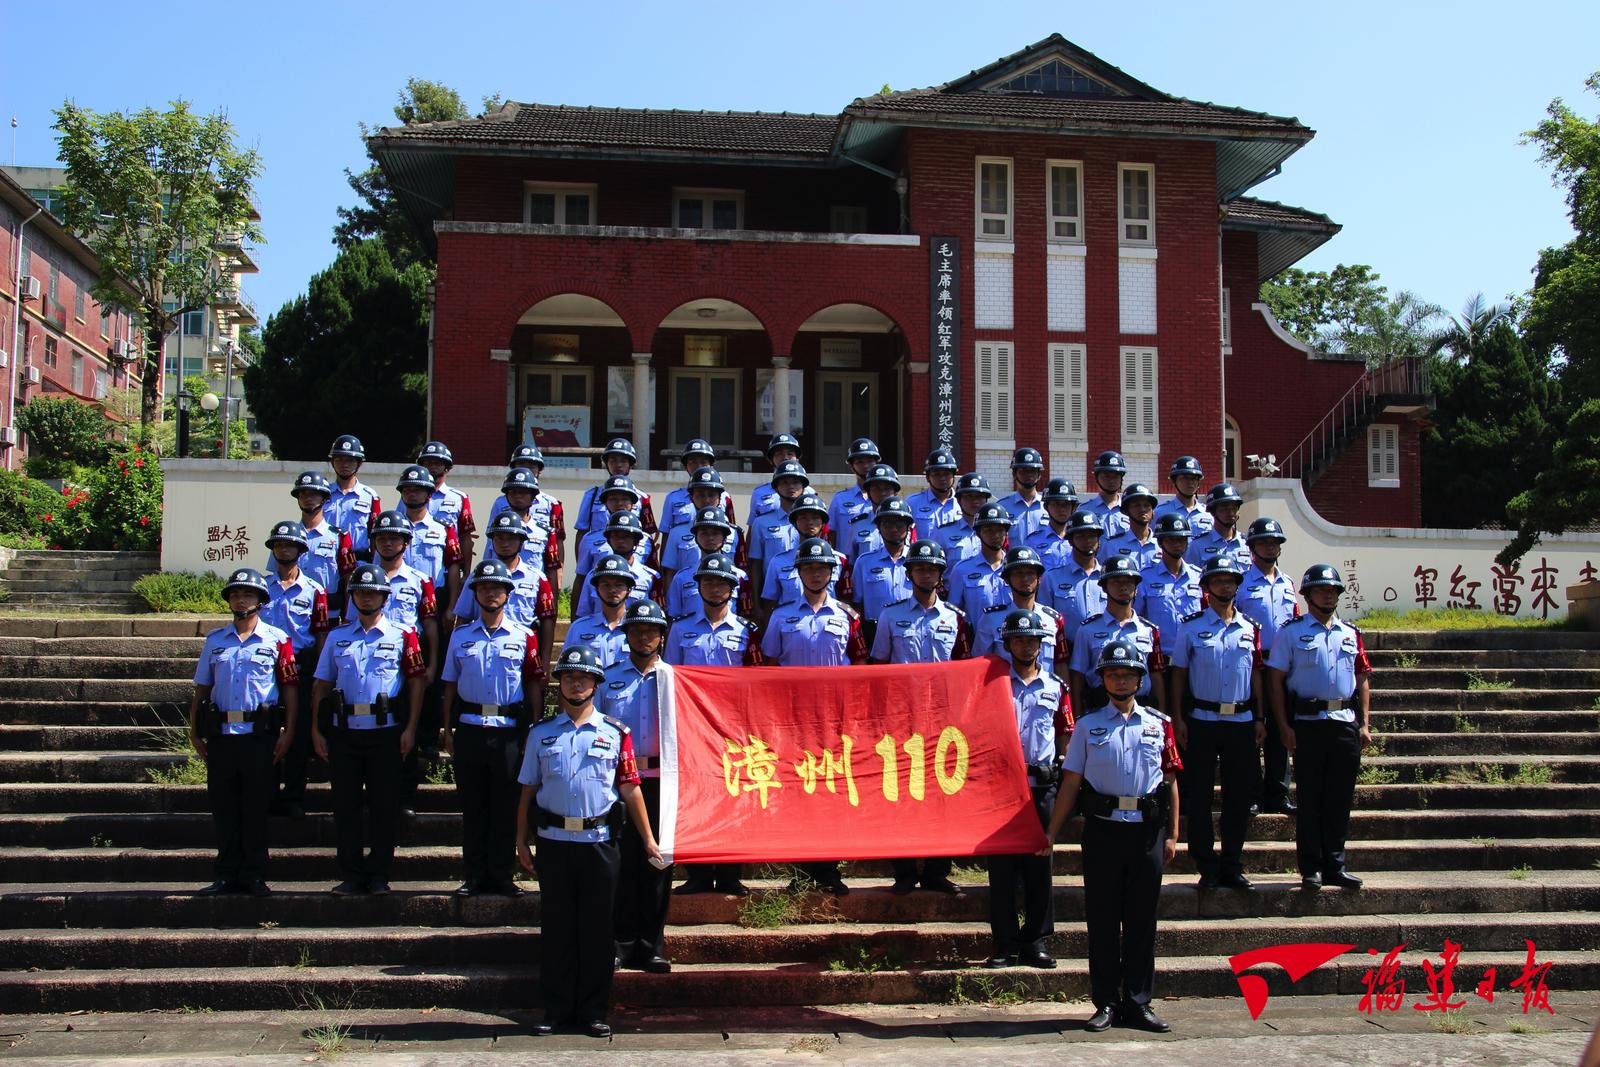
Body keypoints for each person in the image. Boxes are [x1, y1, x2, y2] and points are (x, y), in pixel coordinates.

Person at [517, 645, 662, 1039]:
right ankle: (557, 1009)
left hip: (600, 843)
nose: (575, 684)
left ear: (596, 684)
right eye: (568, 677)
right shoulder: (541, 734)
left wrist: (649, 839)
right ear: (558, 683)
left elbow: (631, 790)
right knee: (558, 928)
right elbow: (528, 789)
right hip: (554, 842)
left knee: (598, 931)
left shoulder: (616, 734)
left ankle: (595, 1010)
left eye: (583, 678)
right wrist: (520, 841)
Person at [1044, 639, 1182, 1034]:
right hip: (1103, 831)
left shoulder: (1160, 724)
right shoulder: (1088, 726)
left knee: (1142, 920)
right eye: (1113, 674)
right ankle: (1105, 1001)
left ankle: (1138, 1002)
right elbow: (1071, 783)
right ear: (1102, 679)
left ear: (1140, 679)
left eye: (1128, 674)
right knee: (1103, 920)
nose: (1121, 681)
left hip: (1146, 832)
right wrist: (1052, 831)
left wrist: (1173, 835)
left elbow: (1170, 782)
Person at [310, 563, 428, 895]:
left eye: (373, 592)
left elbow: (417, 683)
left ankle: (378, 874)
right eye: (361, 592)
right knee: (345, 806)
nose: (367, 598)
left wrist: (411, 728)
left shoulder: (404, 635)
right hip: (344, 731)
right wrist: (317, 731)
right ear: (353, 597)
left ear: (384, 597)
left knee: (383, 805)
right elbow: (320, 684)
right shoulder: (337, 636)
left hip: (386, 731)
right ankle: (351, 873)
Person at [761, 538, 868, 896]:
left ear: (831, 572)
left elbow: (861, 666)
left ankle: (830, 869)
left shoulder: (847, 617)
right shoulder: (781, 616)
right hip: (794, 720)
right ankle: (802, 870)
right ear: (799, 573)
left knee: (833, 790)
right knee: (798, 792)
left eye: (821, 567)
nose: (815, 573)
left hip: (835, 720)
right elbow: (770, 665)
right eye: (808, 568)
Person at [189, 568, 299, 896]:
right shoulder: (215, 641)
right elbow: (201, 690)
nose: (240, 599)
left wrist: (289, 732)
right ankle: (225, 873)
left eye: (247, 594)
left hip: (259, 736)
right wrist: (195, 732)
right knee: (224, 808)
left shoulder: (278, 641)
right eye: (235, 594)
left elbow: (290, 690)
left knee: (255, 808)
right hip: (222, 735)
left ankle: (253, 873)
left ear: (261, 601)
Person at [441, 559, 545, 897]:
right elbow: (449, 687)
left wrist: (533, 729)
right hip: (470, 728)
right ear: (475, 594)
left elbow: (533, 685)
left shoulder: (524, 636)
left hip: (509, 732)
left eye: (497, 588)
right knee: (473, 807)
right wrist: (446, 729)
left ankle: (501, 874)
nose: (490, 593)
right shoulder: (460, 637)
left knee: (505, 807)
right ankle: (473, 875)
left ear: (507, 594)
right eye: (484, 588)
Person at [1267, 564, 1373, 891]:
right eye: (1322, 589)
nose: (1328, 595)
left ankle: (1335, 865)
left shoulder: (1350, 633)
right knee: (1310, 800)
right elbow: (1276, 680)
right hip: (1309, 724)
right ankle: (1310, 868)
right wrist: (1283, 725)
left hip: (1344, 724)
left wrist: (1365, 723)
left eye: (1333, 590)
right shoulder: (1291, 632)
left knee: (1339, 799)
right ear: (1308, 594)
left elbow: (1362, 678)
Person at [873, 539, 970, 895]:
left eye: (932, 569)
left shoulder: (956, 619)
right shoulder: (890, 615)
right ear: (909, 573)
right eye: (920, 568)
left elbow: (963, 671)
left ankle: (936, 870)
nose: (926, 573)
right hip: (901, 720)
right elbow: (879, 667)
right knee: (901, 794)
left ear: (941, 575)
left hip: (944, 721)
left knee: (941, 795)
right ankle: (903, 871)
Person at [666, 552, 763, 897]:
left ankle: (730, 873)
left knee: (733, 797)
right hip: (694, 726)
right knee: (698, 798)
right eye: (708, 581)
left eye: (721, 582)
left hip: (734, 728)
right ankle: (698, 873)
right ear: (698, 587)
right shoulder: (680, 629)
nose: (715, 587)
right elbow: (671, 677)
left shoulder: (747, 631)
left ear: (732, 589)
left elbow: (755, 679)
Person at [983, 608, 1073, 970]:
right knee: (1002, 870)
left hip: (1042, 786)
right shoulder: (991, 685)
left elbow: (1066, 729)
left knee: (1040, 866)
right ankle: (1004, 942)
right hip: (1001, 788)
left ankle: (1035, 940)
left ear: (1041, 644)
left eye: (1032, 639)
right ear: (1007, 644)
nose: (1025, 645)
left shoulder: (1056, 687)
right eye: (1018, 639)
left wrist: (1063, 763)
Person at [1170, 555, 1264, 890]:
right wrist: (1178, 717)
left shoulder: (1250, 629)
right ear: (1206, 587)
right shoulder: (1191, 627)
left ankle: (1232, 864)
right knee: (1200, 798)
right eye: (1219, 581)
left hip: (1241, 720)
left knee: (1238, 797)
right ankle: (1206, 866)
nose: (1225, 586)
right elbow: (1178, 673)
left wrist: (1260, 716)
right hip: (1202, 720)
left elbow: (1256, 675)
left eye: (1231, 581)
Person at [602, 600, 675, 975]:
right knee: (621, 864)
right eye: (637, 630)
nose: (644, 636)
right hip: (619, 785)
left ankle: (652, 945)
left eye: (651, 630)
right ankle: (621, 942)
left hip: (663, 782)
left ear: (662, 636)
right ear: (626, 635)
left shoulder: (678, 681)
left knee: (658, 865)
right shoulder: (609, 678)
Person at [261, 522, 332, 820]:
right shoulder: (260, 588)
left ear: (302, 551)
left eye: (290, 545)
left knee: (299, 734)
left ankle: (293, 796)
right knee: (265, 732)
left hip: (301, 668)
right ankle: (266, 793)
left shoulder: (315, 591)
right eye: (279, 545)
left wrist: (319, 674)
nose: (284, 550)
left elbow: (320, 634)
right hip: (265, 668)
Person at [450, 514, 558, 689]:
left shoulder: (537, 578)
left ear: (521, 542)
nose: (505, 544)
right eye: (499, 538)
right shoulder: (477, 576)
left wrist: (544, 663)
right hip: (483, 649)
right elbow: (463, 618)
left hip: (522, 653)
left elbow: (547, 622)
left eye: (511, 538)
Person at [1238, 517, 1299, 815]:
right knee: (1252, 730)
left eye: (1274, 542)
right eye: (1263, 542)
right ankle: (1252, 793)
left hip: (1282, 665)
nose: (1270, 547)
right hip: (1251, 664)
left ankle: (1278, 792)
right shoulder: (1241, 582)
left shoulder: (1288, 583)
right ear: (1251, 547)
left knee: (1279, 729)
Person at [1067, 556, 1165, 715]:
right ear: (1104, 587)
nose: (1123, 587)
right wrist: (1077, 716)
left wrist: (1161, 715)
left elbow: (1156, 677)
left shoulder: (1148, 630)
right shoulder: (1087, 630)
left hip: (1142, 709)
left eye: (1128, 582)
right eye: (1116, 582)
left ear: (1136, 587)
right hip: (1100, 708)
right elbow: (1077, 676)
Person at [972, 546, 1071, 673]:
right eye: (1018, 573)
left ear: (1039, 578)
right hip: (1005, 690)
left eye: (1030, 573)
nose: (1025, 579)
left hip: (1044, 691)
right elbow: (979, 664)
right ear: (1007, 579)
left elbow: (1060, 665)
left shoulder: (1053, 619)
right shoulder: (991, 619)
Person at [1135, 515, 1203, 689]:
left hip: (1195, 663)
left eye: (1181, 539)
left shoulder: (1199, 577)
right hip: (1160, 664)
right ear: (1160, 542)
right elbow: (1137, 619)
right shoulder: (1145, 578)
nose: (1177, 544)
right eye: (1171, 540)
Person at [759, 493, 849, 615]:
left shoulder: (839, 560)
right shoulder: (778, 562)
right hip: (790, 628)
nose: (810, 522)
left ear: (823, 523)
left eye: (815, 518)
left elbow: (846, 602)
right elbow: (770, 604)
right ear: (795, 523)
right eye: (803, 518)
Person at [281, 470, 355, 607]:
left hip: (328, 613)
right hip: (293, 614)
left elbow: (348, 580)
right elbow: (278, 577)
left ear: (325, 498)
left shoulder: (339, 537)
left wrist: (347, 616)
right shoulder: (286, 537)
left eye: (314, 494)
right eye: (303, 494)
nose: (308, 498)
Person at [848, 496, 914, 648]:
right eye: (887, 523)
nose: (893, 528)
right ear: (878, 527)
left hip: (911, 632)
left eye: (899, 523)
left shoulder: (918, 561)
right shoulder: (864, 562)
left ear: (909, 526)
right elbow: (857, 604)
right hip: (875, 634)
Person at [396, 464, 464, 612]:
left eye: (417, 490)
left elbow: (453, 567)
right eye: (407, 490)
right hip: (400, 599)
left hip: (436, 599)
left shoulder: (445, 529)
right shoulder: (393, 529)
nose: (411, 494)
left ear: (429, 494)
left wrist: (452, 606)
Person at [572, 511, 662, 619]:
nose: (620, 541)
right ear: (608, 540)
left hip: (635, 634)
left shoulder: (651, 577)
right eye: (615, 536)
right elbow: (583, 614)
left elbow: (659, 616)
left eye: (626, 537)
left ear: (637, 542)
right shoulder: (593, 575)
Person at [664, 508, 752, 618]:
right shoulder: (681, 578)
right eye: (704, 533)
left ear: (725, 538)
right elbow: (673, 617)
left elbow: (746, 616)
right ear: (695, 538)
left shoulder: (740, 577)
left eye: (715, 533)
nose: (710, 538)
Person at [745, 460, 810, 598]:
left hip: (808, 594)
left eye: (795, 482)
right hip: (773, 597)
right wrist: (756, 604)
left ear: (803, 487)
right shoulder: (761, 523)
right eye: (784, 482)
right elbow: (756, 565)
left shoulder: (814, 521)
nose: (790, 486)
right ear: (775, 488)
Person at [659, 470, 741, 575]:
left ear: (720, 498)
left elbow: (741, 571)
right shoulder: (676, 532)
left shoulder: (734, 533)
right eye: (700, 495)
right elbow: (670, 573)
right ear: (691, 498)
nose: (706, 500)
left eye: (711, 495)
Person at [574, 437, 656, 542]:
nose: (618, 465)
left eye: (623, 461)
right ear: (607, 464)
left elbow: (648, 536)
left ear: (630, 465)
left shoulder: (642, 498)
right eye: (613, 461)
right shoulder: (592, 495)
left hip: (631, 555)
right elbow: (582, 532)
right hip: (599, 554)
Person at [564, 554, 637, 668]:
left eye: (619, 585)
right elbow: (567, 670)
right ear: (596, 589)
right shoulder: (579, 628)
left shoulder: (638, 628)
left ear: (629, 590)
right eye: (606, 585)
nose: (612, 590)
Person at [1040, 510, 1106, 635]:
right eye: (1081, 536)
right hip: (1065, 649)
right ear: (1070, 541)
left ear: (1099, 540)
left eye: (1092, 536)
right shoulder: (1052, 578)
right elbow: (1044, 619)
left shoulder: (1110, 578)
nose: (1087, 541)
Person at [945, 502, 1013, 619]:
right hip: (976, 636)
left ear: (1006, 532)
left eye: (1000, 530)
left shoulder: (1016, 568)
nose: (995, 535)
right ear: (978, 533)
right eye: (988, 530)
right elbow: (953, 612)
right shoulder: (962, 570)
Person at [418, 440, 477, 572]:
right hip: (418, 562)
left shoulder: (459, 498)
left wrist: (467, 573)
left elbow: (465, 538)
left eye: (437, 463)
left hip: (449, 566)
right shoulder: (410, 495)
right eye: (427, 463)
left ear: (447, 467)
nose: (432, 467)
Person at [495, 468, 561, 584]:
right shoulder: (497, 529)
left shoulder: (545, 532)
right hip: (499, 590)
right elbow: (489, 558)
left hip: (532, 592)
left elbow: (552, 570)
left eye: (523, 492)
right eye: (513, 492)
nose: (518, 496)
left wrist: (553, 600)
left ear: (533, 496)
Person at [659, 439, 734, 536]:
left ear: (711, 465)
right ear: (685, 466)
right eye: (693, 462)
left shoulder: (724, 497)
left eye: (703, 462)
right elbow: (667, 534)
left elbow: (731, 532)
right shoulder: (673, 498)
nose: (698, 466)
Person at [325, 435, 381, 559]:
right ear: (332, 462)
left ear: (359, 463)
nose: (344, 464)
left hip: (359, 561)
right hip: (327, 559)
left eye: (350, 460)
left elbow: (375, 535)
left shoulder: (370, 496)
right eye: (339, 459)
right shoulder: (323, 493)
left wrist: (376, 564)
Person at [839, 464, 904, 561]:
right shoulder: (857, 525)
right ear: (868, 493)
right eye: (877, 489)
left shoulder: (906, 523)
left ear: (895, 492)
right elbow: (851, 563)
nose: (882, 493)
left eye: (887, 489)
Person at [827, 437, 881, 544]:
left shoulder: (885, 497)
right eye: (859, 462)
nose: (865, 466)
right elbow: (831, 534)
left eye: (870, 461)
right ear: (852, 467)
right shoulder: (840, 499)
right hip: (847, 559)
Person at [933, 473, 992, 564]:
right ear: (959, 500)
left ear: (986, 500)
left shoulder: (996, 532)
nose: (974, 501)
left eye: (979, 496)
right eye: (968, 496)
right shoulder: (943, 533)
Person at [1099, 483, 1159, 570]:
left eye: (1146, 505)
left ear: (1153, 511)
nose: (1142, 509)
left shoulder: (1162, 544)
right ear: (1126, 511)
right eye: (1136, 506)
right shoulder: (1112, 546)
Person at [905, 448, 960, 541]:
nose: (942, 478)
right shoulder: (912, 503)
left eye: (947, 474)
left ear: (954, 476)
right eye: (936, 474)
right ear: (927, 477)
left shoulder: (963, 503)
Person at [1186, 483, 1246, 569]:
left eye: (1234, 508)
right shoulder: (1197, 546)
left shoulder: (1246, 544)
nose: (1231, 513)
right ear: (1213, 511)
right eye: (1225, 508)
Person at [1153, 455, 1214, 538]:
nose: (1190, 482)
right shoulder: (1160, 513)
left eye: (1194, 478)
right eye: (1184, 478)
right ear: (1174, 482)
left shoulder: (1209, 513)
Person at [1026, 478, 1081, 569]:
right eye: (1056, 504)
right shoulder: (1033, 541)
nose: (1062, 509)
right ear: (1046, 507)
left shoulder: (1081, 539)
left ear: (1074, 507)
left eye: (1066, 504)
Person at [997, 447, 1047, 542]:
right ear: (1014, 474)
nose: (1029, 475)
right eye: (1023, 470)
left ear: (1039, 475)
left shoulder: (1048, 507)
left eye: (1032, 470)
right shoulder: (1002, 507)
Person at [748, 433, 802, 520]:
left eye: (790, 454)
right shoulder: (759, 493)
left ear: (797, 459)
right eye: (779, 454)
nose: (785, 457)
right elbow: (753, 528)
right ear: (771, 460)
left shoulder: (809, 493)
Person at [1081, 451, 1130, 538]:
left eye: (1115, 476)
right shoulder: (1084, 509)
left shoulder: (1131, 508)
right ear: (1096, 477)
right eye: (1106, 476)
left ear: (1122, 478)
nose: (1111, 481)